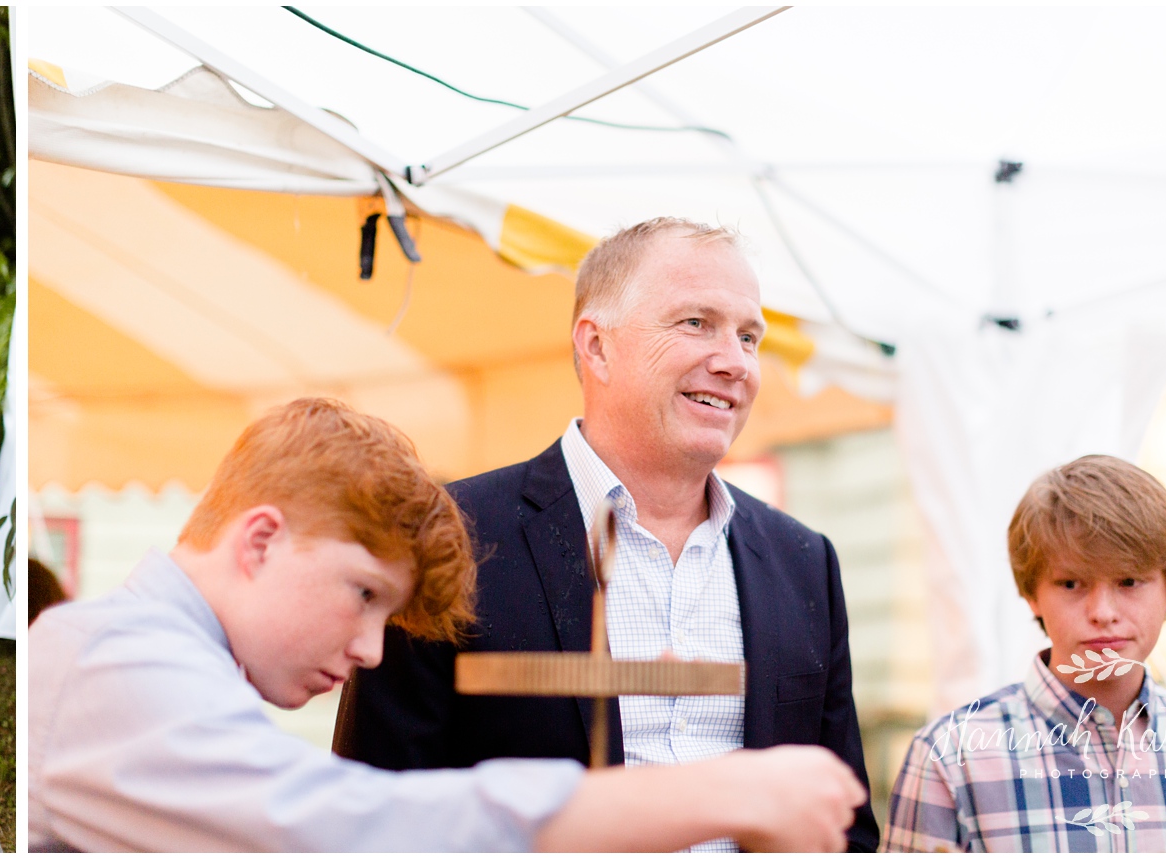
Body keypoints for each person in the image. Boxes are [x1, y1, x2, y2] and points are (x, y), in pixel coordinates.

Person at [27, 397, 868, 852]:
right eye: (363, 594)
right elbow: (354, 833)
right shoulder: (113, 660)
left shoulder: (171, 668)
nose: (368, 650)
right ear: (260, 540)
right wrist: (721, 790)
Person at [334, 217, 878, 851]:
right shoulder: (450, 535)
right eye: (695, 323)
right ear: (595, 346)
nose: (735, 363)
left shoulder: (804, 560)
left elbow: (847, 826)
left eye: (750, 337)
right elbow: (377, 813)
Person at [882, 455, 1166, 852]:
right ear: (1031, 594)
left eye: (1129, 581)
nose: (1103, 613)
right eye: (1072, 584)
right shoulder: (951, 758)